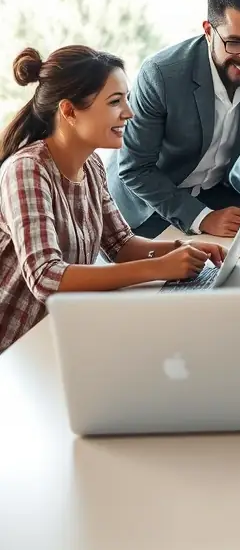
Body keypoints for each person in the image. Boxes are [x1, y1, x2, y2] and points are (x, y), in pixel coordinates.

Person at [0, 46, 226, 355]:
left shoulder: (91, 166)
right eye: (115, 102)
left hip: (61, 334)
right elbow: (46, 277)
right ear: (68, 111)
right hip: (16, 350)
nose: (129, 112)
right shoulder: (27, 169)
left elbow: (120, 245)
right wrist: (160, 267)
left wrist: (181, 249)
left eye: (126, 99)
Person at [107, 0, 240, 238]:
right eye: (235, 43)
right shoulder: (162, 74)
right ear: (208, 31)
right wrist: (202, 218)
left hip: (217, 192)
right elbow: (135, 168)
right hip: (147, 206)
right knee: (184, 275)